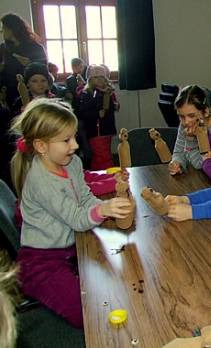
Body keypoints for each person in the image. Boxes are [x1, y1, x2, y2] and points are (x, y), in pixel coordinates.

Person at [10, 98, 132, 328]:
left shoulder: (71, 162)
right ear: (41, 146)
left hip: (68, 250)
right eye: (66, 140)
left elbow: (84, 196)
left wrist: (104, 208)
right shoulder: (43, 182)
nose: (75, 145)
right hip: (41, 263)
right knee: (85, 313)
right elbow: (76, 219)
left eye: (74, 137)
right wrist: (102, 209)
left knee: (108, 286)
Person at [169, 85, 211, 176]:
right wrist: (176, 163)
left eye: (191, 116)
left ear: (205, 112)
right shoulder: (187, 124)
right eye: (181, 116)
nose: (186, 122)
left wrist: (190, 140)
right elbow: (178, 152)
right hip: (196, 177)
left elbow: (200, 165)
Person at [0, 13, 47, 106]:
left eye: (3, 28)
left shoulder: (35, 47)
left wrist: (30, 64)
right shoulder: (3, 48)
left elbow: (44, 70)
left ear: (12, 28)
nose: (2, 31)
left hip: (32, 92)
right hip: (9, 93)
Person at [79, 64, 119, 170]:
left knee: (100, 156)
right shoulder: (88, 94)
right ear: (91, 79)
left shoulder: (107, 92)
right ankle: (110, 175)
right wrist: (96, 114)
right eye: (96, 77)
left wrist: (114, 105)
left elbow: (110, 105)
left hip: (107, 128)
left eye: (102, 77)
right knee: (104, 156)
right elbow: (83, 112)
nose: (99, 79)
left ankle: (96, 174)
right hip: (96, 130)